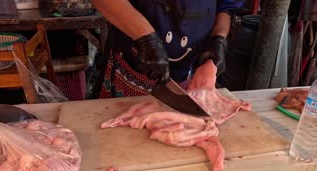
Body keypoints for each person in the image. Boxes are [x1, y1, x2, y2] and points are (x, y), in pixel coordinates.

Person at [91, 0, 245, 98]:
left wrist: (218, 38)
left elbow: (227, 6)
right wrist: (145, 38)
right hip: (131, 68)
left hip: (192, 71)